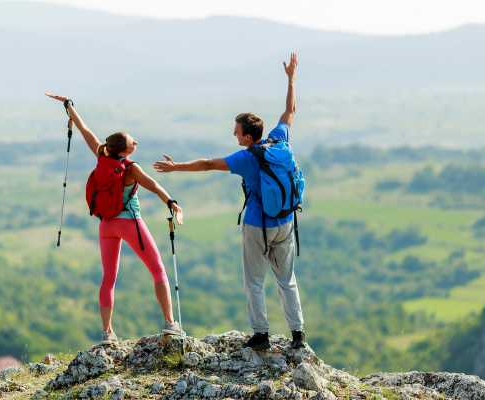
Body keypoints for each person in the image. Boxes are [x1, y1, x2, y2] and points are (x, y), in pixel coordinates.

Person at [153, 53, 305, 350]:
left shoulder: (246, 158)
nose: (233, 135)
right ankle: (298, 334)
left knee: (255, 282)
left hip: (257, 224)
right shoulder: (279, 140)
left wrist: (175, 167)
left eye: (236, 131)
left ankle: (261, 334)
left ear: (248, 137)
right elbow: (290, 111)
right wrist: (291, 78)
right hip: (286, 220)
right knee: (287, 280)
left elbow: (208, 164)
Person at [46, 92, 185, 343]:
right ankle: (170, 323)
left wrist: (69, 106)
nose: (136, 142)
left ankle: (107, 332)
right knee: (158, 270)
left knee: (108, 278)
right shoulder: (131, 169)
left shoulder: (102, 154)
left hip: (106, 225)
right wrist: (172, 203)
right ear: (124, 150)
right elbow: (153, 185)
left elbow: (84, 129)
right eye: (133, 142)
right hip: (130, 223)